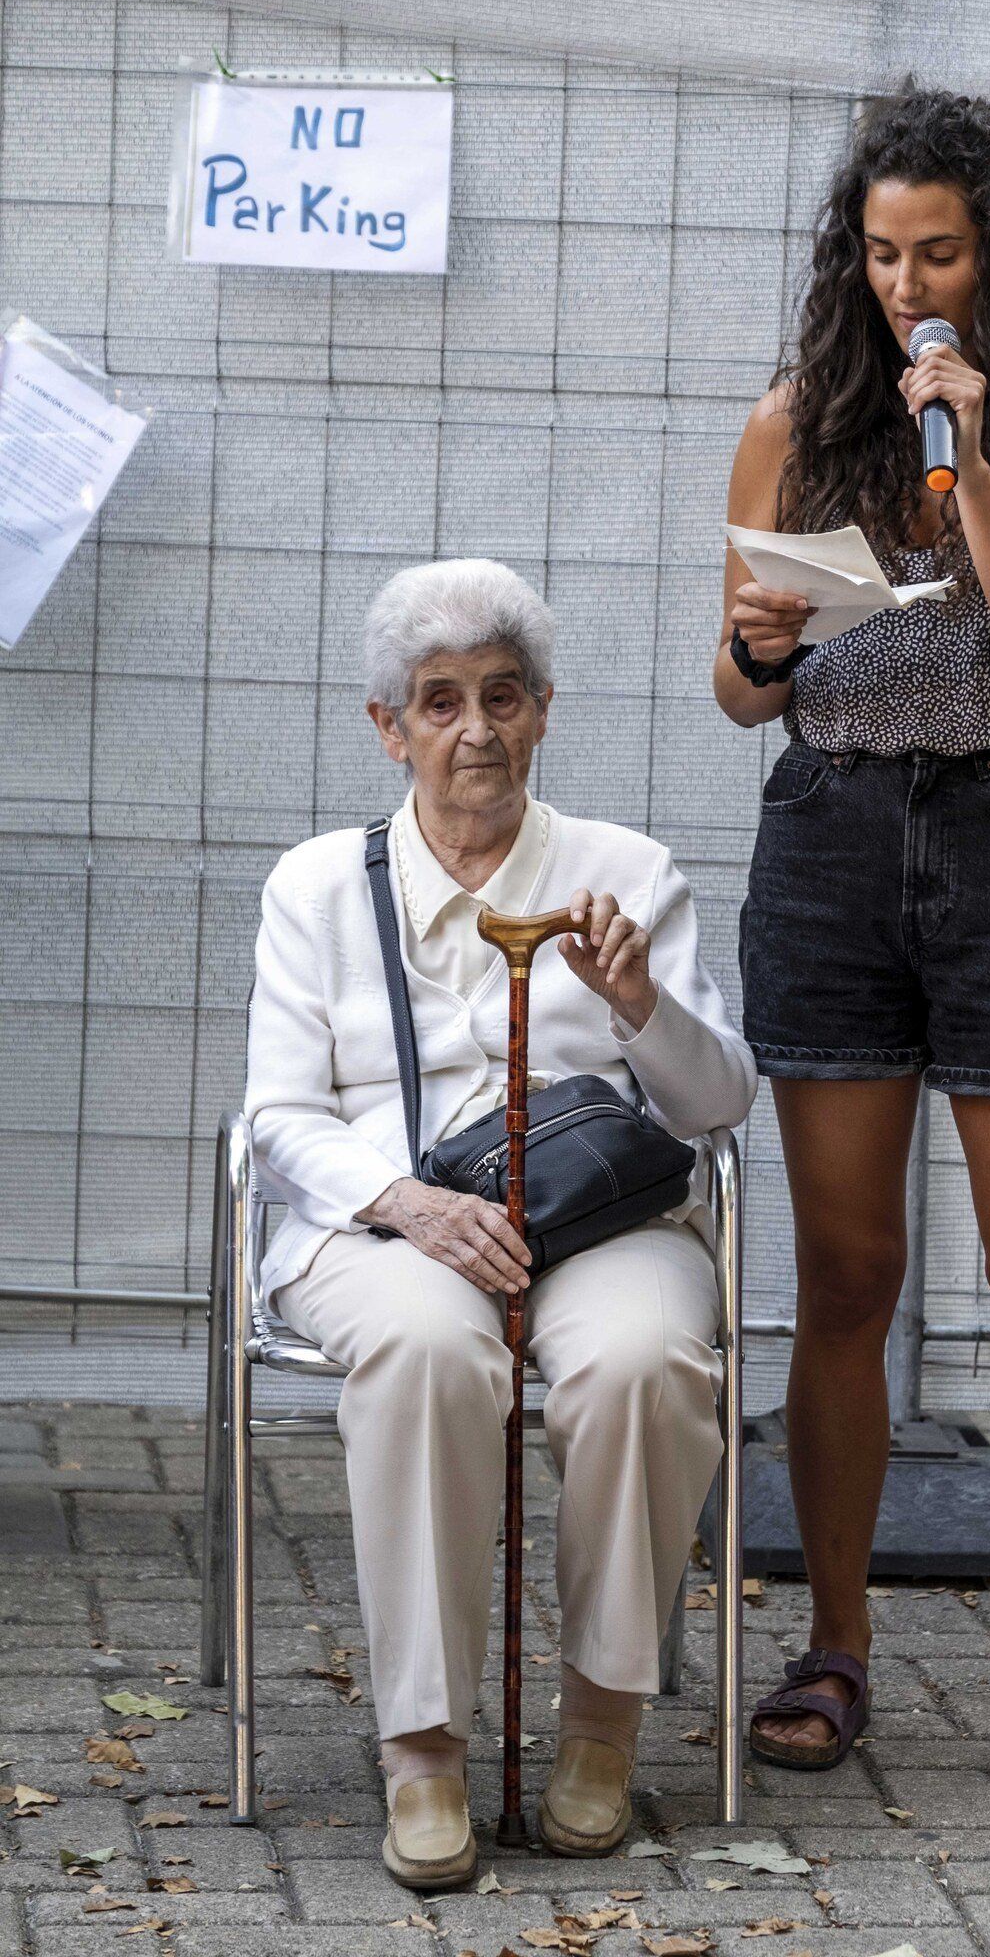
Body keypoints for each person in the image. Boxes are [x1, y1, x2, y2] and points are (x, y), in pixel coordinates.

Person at [714, 89, 990, 1793]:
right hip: (830, 842)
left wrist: (965, 463)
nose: (909, 288)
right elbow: (737, 689)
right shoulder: (792, 423)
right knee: (844, 1279)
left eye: (942, 256)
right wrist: (758, 643)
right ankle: (833, 1645)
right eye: (883, 254)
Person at [244, 558, 757, 1886]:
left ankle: (600, 1724)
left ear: (541, 710)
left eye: (502, 696)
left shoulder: (625, 871)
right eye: (438, 701)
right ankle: (422, 1749)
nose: (473, 730)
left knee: (643, 1359)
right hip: (381, 1229)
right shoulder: (313, 888)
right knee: (429, 1352)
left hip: (596, 1218)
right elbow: (278, 1117)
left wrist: (640, 1001)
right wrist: (403, 1201)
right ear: (388, 725)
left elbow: (714, 1106)